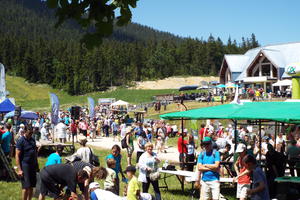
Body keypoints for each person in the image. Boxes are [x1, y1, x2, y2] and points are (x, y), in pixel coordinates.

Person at [16, 126, 39, 200]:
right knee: (26, 187)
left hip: (33, 165)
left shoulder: (32, 140)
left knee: (32, 186)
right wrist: (19, 169)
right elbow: (17, 155)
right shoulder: (21, 140)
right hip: (25, 165)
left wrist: (37, 165)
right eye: (29, 133)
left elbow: (35, 153)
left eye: (32, 133)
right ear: (25, 131)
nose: (31, 134)